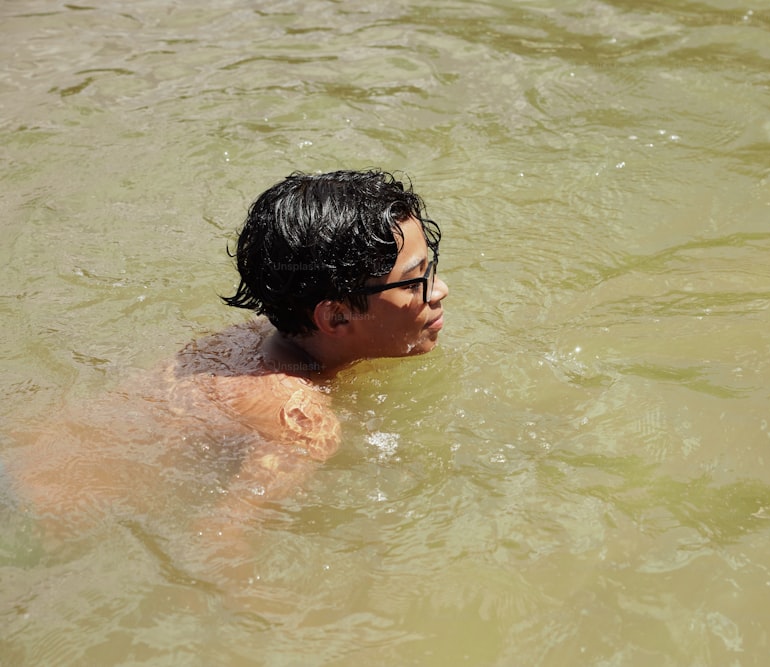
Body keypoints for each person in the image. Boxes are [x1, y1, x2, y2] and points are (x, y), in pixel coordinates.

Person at [5, 169, 449, 546]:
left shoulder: (245, 339)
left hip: (23, 465)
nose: (440, 289)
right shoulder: (300, 419)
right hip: (39, 531)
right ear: (334, 316)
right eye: (414, 282)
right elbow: (218, 537)